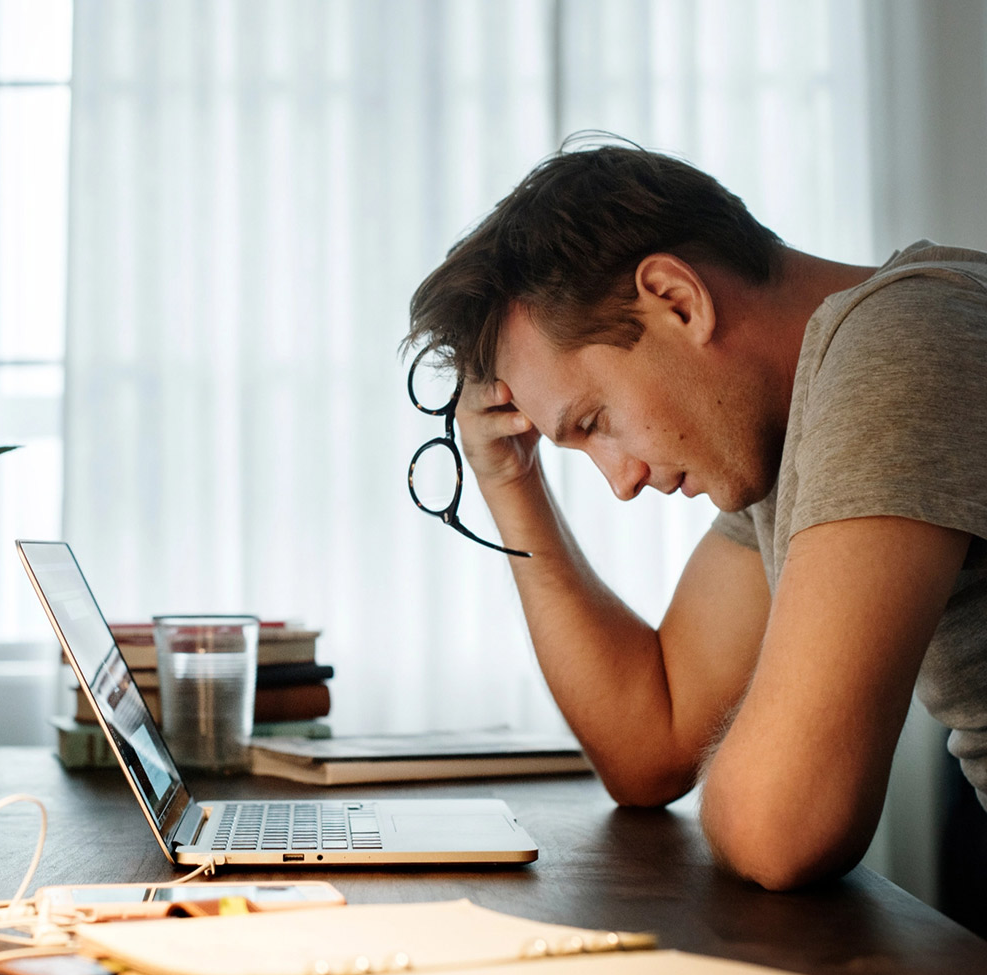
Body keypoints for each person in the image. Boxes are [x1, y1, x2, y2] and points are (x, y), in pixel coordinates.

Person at [402, 139, 987, 891]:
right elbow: (653, 745)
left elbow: (782, 825)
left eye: (597, 420)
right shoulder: (787, 427)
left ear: (677, 299)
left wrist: (760, 773)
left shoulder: (902, 344)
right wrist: (509, 481)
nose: (620, 481)